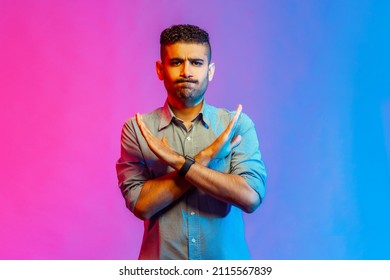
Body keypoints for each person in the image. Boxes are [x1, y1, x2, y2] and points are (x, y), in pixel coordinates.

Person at [116, 24, 267, 260]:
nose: (186, 71)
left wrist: (178, 162)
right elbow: (141, 205)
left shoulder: (237, 125)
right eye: (176, 62)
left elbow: (250, 197)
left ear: (210, 70)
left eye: (196, 63)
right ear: (160, 69)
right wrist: (206, 158)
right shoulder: (137, 130)